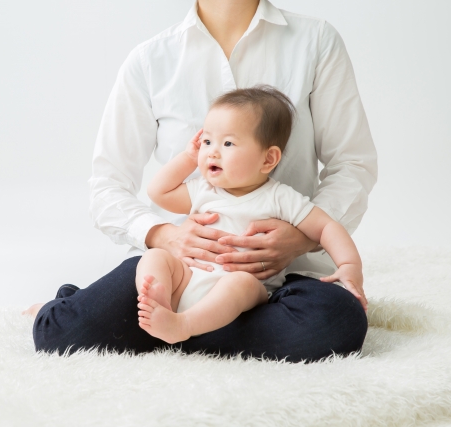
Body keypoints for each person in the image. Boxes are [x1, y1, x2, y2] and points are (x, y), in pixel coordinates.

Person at [27, 0, 377, 363]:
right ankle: (186, 324)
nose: (214, 151)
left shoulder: (316, 40)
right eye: (209, 141)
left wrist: (302, 239)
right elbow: (107, 186)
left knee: (337, 320)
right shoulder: (149, 60)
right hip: (183, 275)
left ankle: (178, 331)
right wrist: (164, 236)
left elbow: (352, 165)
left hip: (282, 281)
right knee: (61, 334)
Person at [135, 86, 367, 345]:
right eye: (207, 141)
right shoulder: (204, 189)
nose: (211, 151)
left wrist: (349, 265)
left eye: (228, 143)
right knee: (155, 256)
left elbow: (325, 227)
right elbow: (158, 192)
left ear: (268, 159)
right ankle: (161, 304)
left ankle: (184, 325)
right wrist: (189, 158)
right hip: (189, 278)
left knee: (240, 283)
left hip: (247, 294)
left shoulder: (279, 197)